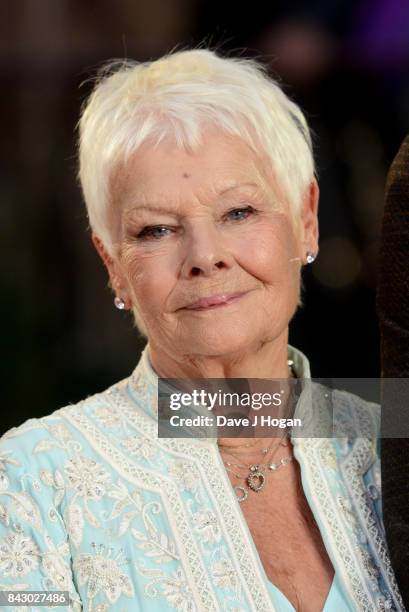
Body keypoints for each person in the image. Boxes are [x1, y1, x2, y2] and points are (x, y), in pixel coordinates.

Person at [0, 48, 404, 612]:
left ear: (307, 219)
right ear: (112, 264)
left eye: (239, 213)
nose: (205, 257)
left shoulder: (390, 437)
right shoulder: (28, 482)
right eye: (156, 230)